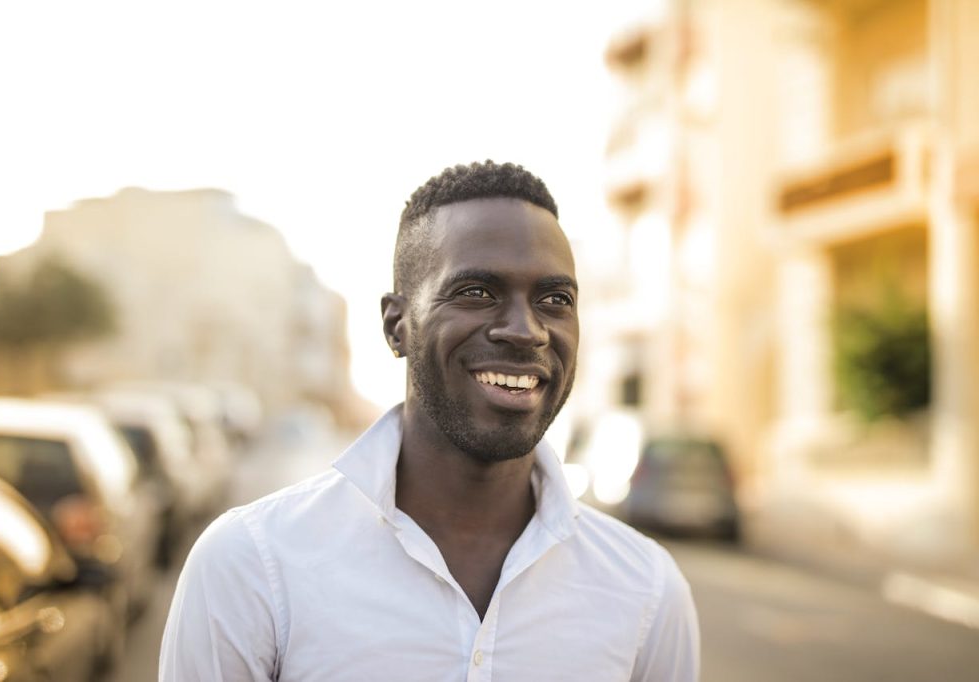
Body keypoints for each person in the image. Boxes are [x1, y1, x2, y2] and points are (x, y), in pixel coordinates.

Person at [159, 161, 700, 681]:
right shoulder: (252, 564)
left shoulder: (648, 592)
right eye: (476, 292)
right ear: (397, 326)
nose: (526, 330)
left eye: (555, 299)